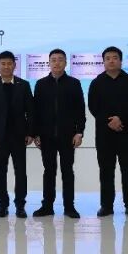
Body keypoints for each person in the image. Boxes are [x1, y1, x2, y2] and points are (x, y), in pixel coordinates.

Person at [88, 46, 128, 218]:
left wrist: (120, 119)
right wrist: (109, 122)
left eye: (115, 57)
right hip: (104, 134)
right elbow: (93, 107)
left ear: (120, 60)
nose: (111, 61)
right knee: (106, 170)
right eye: (108, 58)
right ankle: (106, 205)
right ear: (103, 62)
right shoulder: (97, 83)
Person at [32, 49, 86, 219]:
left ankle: (69, 207)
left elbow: (80, 111)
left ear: (65, 63)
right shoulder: (41, 84)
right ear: (49, 63)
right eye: (53, 60)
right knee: (49, 171)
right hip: (46, 136)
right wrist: (36, 134)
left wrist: (79, 132)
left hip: (68, 136)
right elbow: (35, 112)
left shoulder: (74, 83)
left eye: (60, 59)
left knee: (67, 171)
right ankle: (47, 206)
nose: (57, 63)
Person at [0, 51, 34, 218]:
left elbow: (31, 111)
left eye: (9, 63)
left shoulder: (24, 85)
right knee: (0, 172)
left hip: (20, 136)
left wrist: (30, 132)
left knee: (21, 172)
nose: (6, 67)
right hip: (0, 137)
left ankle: (20, 205)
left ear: (14, 65)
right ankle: (2, 205)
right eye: (3, 64)